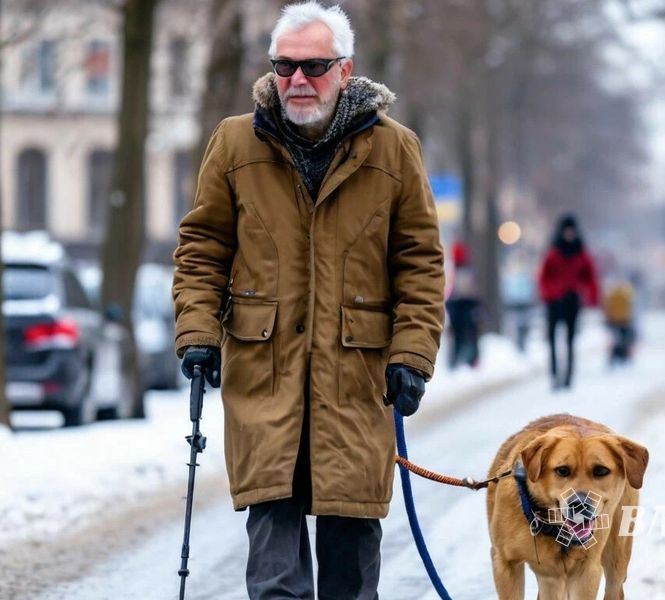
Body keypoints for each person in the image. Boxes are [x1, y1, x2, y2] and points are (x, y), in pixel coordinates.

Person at [171, 3, 445, 598]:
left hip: (355, 387)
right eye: (284, 66)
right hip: (264, 385)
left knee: (350, 580)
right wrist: (196, 333)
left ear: (345, 71)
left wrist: (413, 354)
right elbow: (201, 250)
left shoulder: (395, 150)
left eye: (314, 66)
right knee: (275, 582)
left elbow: (420, 264)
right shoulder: (235, 142)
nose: (297, 80)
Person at [537, 214, 599, 389]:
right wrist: (551, 293)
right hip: (554, 302)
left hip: (572, 300)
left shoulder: (582, 254)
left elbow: (590, 277)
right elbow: (543, 278)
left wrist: (591, 297)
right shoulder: (553, 253)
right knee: (553, 340)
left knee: (570, 341)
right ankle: (555, 376)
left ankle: (568, 377)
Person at [444, 240, 482, 368]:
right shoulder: (466, 271)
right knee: (468, 335)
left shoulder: (454, 272)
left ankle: (458, 361)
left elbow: (450, 291)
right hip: (464, 307)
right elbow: (473, 291)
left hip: (458, 307)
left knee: (459, 336)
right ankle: (469, 361)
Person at [604, 279, 635, 366]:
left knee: (615, 340)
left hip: (614, 320)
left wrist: (608, 319)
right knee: (624, 340)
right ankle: (623, 357)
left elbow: (608, 307)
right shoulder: (626, 295)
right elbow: (629, 308)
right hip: (624, 321)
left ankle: (615, 357)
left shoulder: (612, 296)